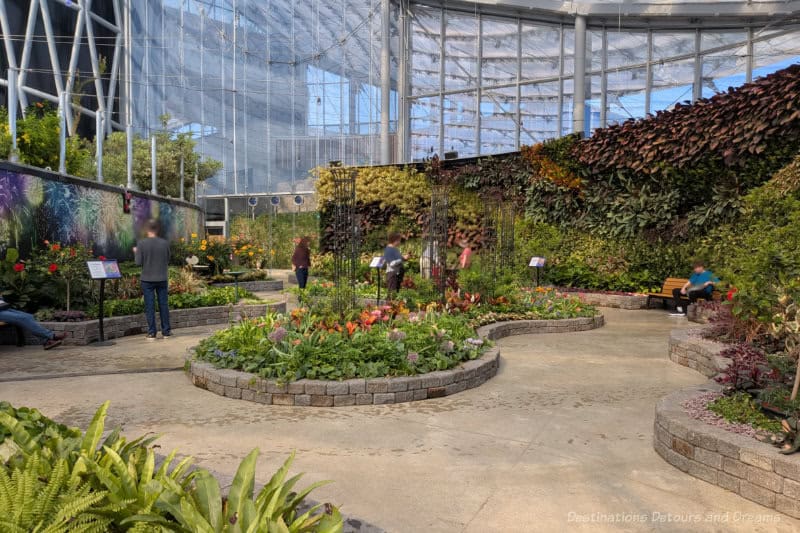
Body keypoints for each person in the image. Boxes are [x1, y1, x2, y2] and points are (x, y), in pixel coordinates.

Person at [134, 219, 172, 339]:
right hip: (162, 278)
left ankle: (152, 333)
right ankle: (166, 332)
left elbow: (138, 262)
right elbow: (168, 259)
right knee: (163, 305)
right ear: (157, 229)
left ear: (147, 230)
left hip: (147, 279)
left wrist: (136, 252)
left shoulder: (141, 244)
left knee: (150, 306)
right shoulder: (165, 243)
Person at [0, 294, 66, 349]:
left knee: (29, 316)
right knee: (22, 318)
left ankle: (46, 341)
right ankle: (52, 336)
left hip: (3, 308)